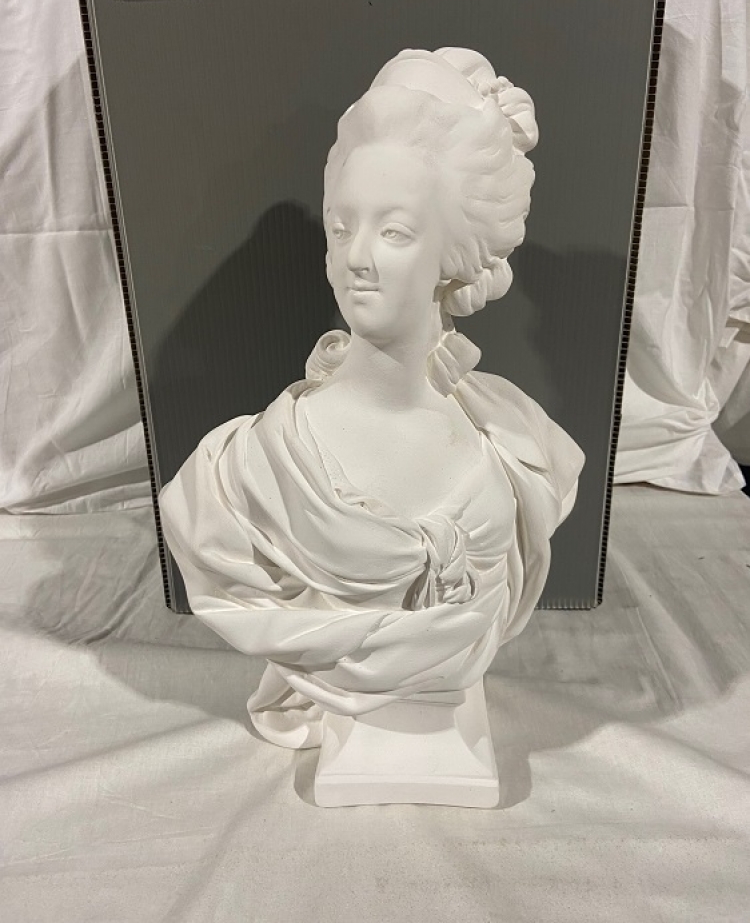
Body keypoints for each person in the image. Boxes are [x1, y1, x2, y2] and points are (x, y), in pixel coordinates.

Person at [159, 48, 585, 750]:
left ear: (455, 253)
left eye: (394, 232)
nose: (356, 257)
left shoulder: (522, 453)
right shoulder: (239, 476)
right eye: (341, 227)